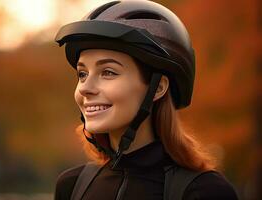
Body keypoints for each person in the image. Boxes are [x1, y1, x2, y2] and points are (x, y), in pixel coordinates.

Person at [54, 1, 238, 199]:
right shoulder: (71, 186)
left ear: (158, 88)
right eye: (82, 74)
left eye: (108, 72)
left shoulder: (205, 191)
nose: (85, 88)